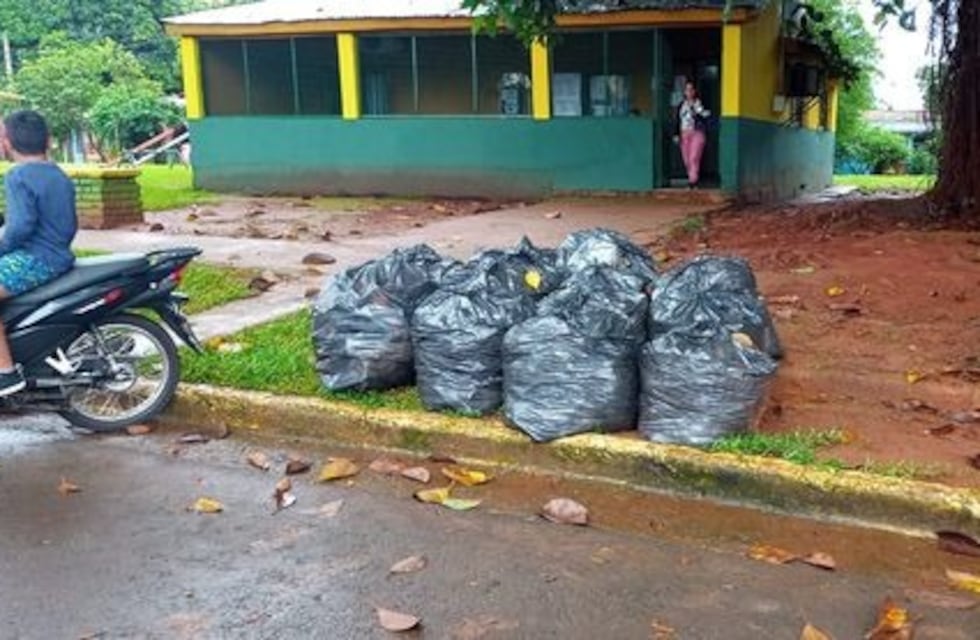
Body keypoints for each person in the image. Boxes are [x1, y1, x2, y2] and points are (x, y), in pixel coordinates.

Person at [0, 110, 78, 396]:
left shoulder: (18, 176)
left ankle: (6, 374)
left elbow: (20, 227)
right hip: (56, 254)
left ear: (7, 142)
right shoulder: (57, 174)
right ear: (46, 140)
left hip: (35, 258)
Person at [674, 81, 711, 189]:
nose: (689, 92)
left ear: (694, 91)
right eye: (687, 90)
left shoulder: (699, 103)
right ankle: (692, 178)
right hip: (684, 133)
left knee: (694, 157)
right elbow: (678, 120)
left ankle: (692, 181)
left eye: (691, 89)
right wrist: (676, 133)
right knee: (686, 159)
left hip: (697, 132)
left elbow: (705, 116)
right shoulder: (681, 105)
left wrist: (697, 111)